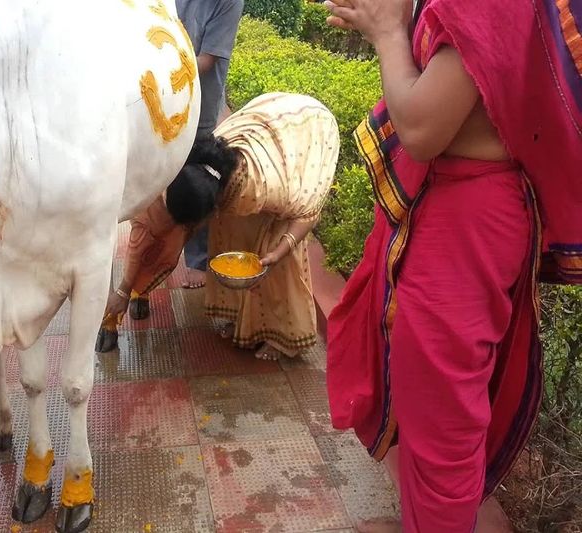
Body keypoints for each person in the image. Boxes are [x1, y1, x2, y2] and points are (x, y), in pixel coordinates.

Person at [323, 0, 582, 531]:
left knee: (444, 436)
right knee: (429, 415)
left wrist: (389, 33)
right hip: (462, 215)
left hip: (465, 228)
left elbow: (421, 127)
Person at [98, 92, 340, 360]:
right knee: (231, 237)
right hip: (268, 120)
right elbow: (147, 235)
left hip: (308, 129)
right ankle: (242, 318)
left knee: (272, 251)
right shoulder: (184, 170)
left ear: (211, 209)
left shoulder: (267, 188)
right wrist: (124, 289)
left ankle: (283, 339)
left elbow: (307, 214)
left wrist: (279, 251)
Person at [174, 0, 243, 291]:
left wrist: (159, 65)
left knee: (199, 178)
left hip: (200, 104)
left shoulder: (228, 1)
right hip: (159, 99)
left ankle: (197, 260)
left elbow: (206, 60)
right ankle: (159, 246)